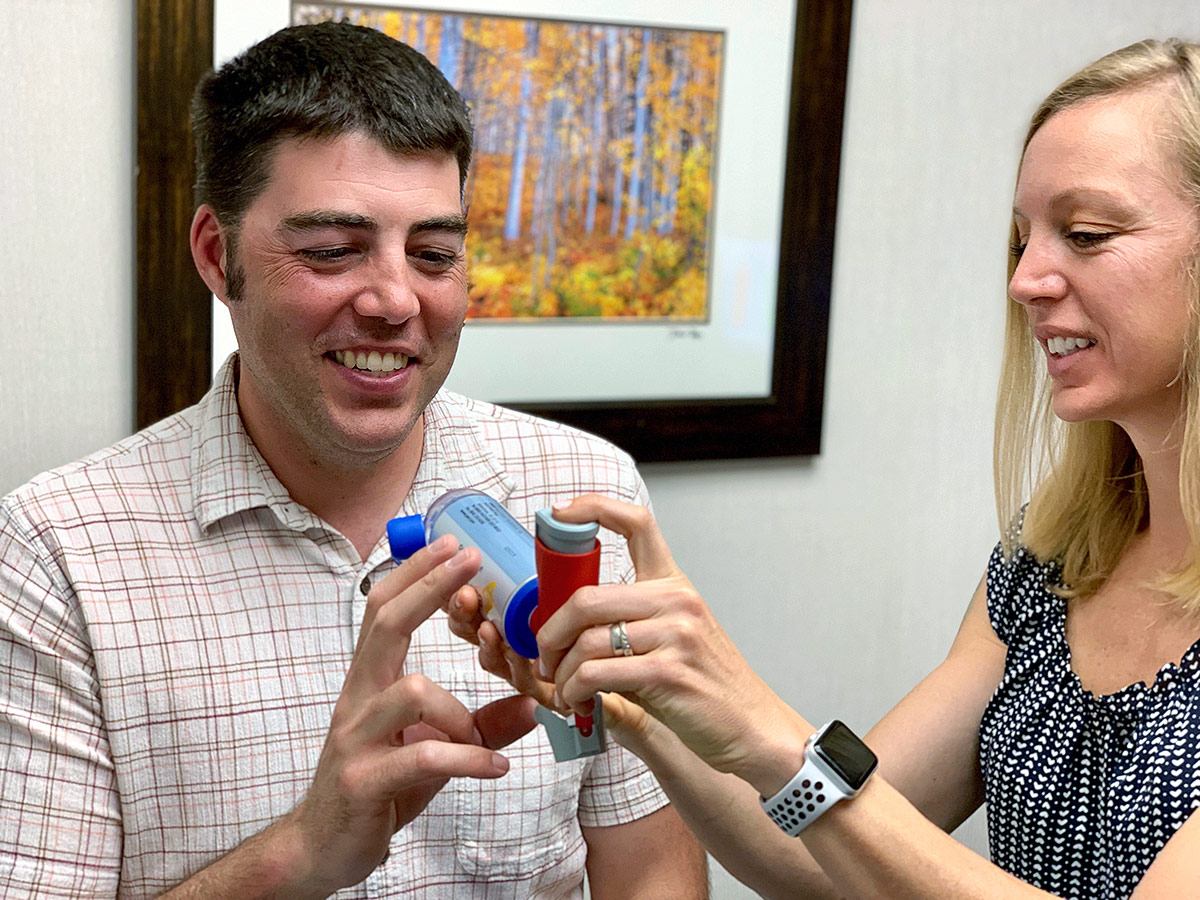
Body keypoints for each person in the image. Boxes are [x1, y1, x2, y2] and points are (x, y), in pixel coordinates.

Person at [452, 38, 1200, 900]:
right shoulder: (1049, 566)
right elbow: (816, 861)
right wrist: (642, 704)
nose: (1026, 279)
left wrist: (766, 727)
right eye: (1023, 240)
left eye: (1087, 234)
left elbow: (833, 810)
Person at [0, 21, 706, 900]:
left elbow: (652, 874)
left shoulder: (579, 497)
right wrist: (300, 852)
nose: (395, 299)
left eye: (435, 254)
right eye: (332, 251)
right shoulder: (60, 550)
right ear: (219, 257)